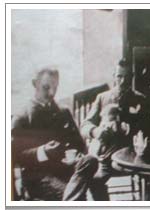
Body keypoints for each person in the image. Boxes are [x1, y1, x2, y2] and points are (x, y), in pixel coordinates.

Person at [11, 68, 98, 201]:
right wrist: (43, 151)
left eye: (55, 87)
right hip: (39, 176)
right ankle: (71, 199)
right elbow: (15, 155)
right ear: (35, 84)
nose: (52, 93)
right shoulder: (22, 116)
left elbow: (79, 143)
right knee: (77, 194)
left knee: (90, 160)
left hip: (67, 170)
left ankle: (71, 197)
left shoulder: (63, 111)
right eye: (46, 87)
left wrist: (77, 156)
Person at [81, 59, 147, 200]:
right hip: (106, 156)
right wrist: (95, 131)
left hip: (131, 157)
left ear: (132, 78)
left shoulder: (140, 99)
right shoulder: (102, 98)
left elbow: (148, 128)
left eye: (127, 77)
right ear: (114, 77)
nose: (122, 81)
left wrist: (131, 129)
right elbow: (85, 124)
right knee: (95, 181)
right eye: (119, 76)